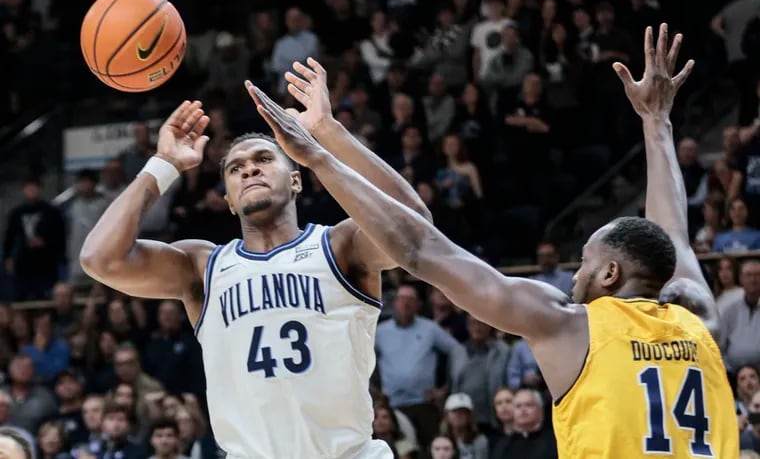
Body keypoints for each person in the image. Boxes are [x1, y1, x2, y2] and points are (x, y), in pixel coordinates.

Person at [248, 23, 739, 458]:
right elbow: (674, 234)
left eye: (584, 263)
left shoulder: (569, 325)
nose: (574, 274)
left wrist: (320, 157)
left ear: (611, 273)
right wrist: (657, 122)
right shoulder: (700, 318)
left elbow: (421, 249)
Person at [79, 57, 432, 459]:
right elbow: (99, 258)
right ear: (228, 201)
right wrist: (164, 165)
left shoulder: (340, 246)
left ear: (296, 179)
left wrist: (327, 134)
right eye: (236, 168)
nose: (250, 170)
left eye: (264, 160)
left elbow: (416, 227)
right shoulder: (203, 266)